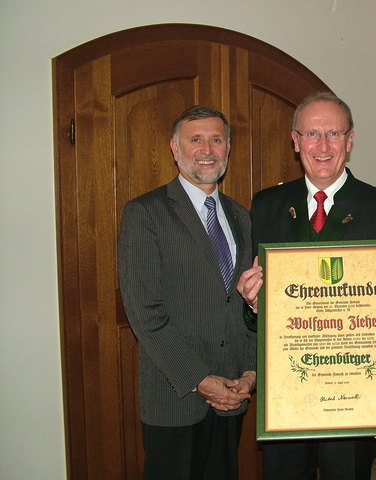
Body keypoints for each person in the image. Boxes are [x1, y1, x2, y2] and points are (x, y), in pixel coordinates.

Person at [237, 92, 376, 480]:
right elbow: (257, 313)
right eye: (312, 134)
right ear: (295, 140)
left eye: (333, 134)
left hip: (354, 390)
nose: (322, 146)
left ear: (350, 141)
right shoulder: (267, 206)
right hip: (287, 386)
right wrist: (254, 304)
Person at [118, 105, 257, 480]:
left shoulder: (243, 217)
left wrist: (249, 372)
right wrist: (200, 379)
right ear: (175, 149)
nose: (207, 150)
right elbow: (144, 313)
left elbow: (245, 305)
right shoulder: (145, 213)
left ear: (228, 148)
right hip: (175, 395)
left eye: (216, 140)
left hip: (231, 393)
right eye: (195, 140)